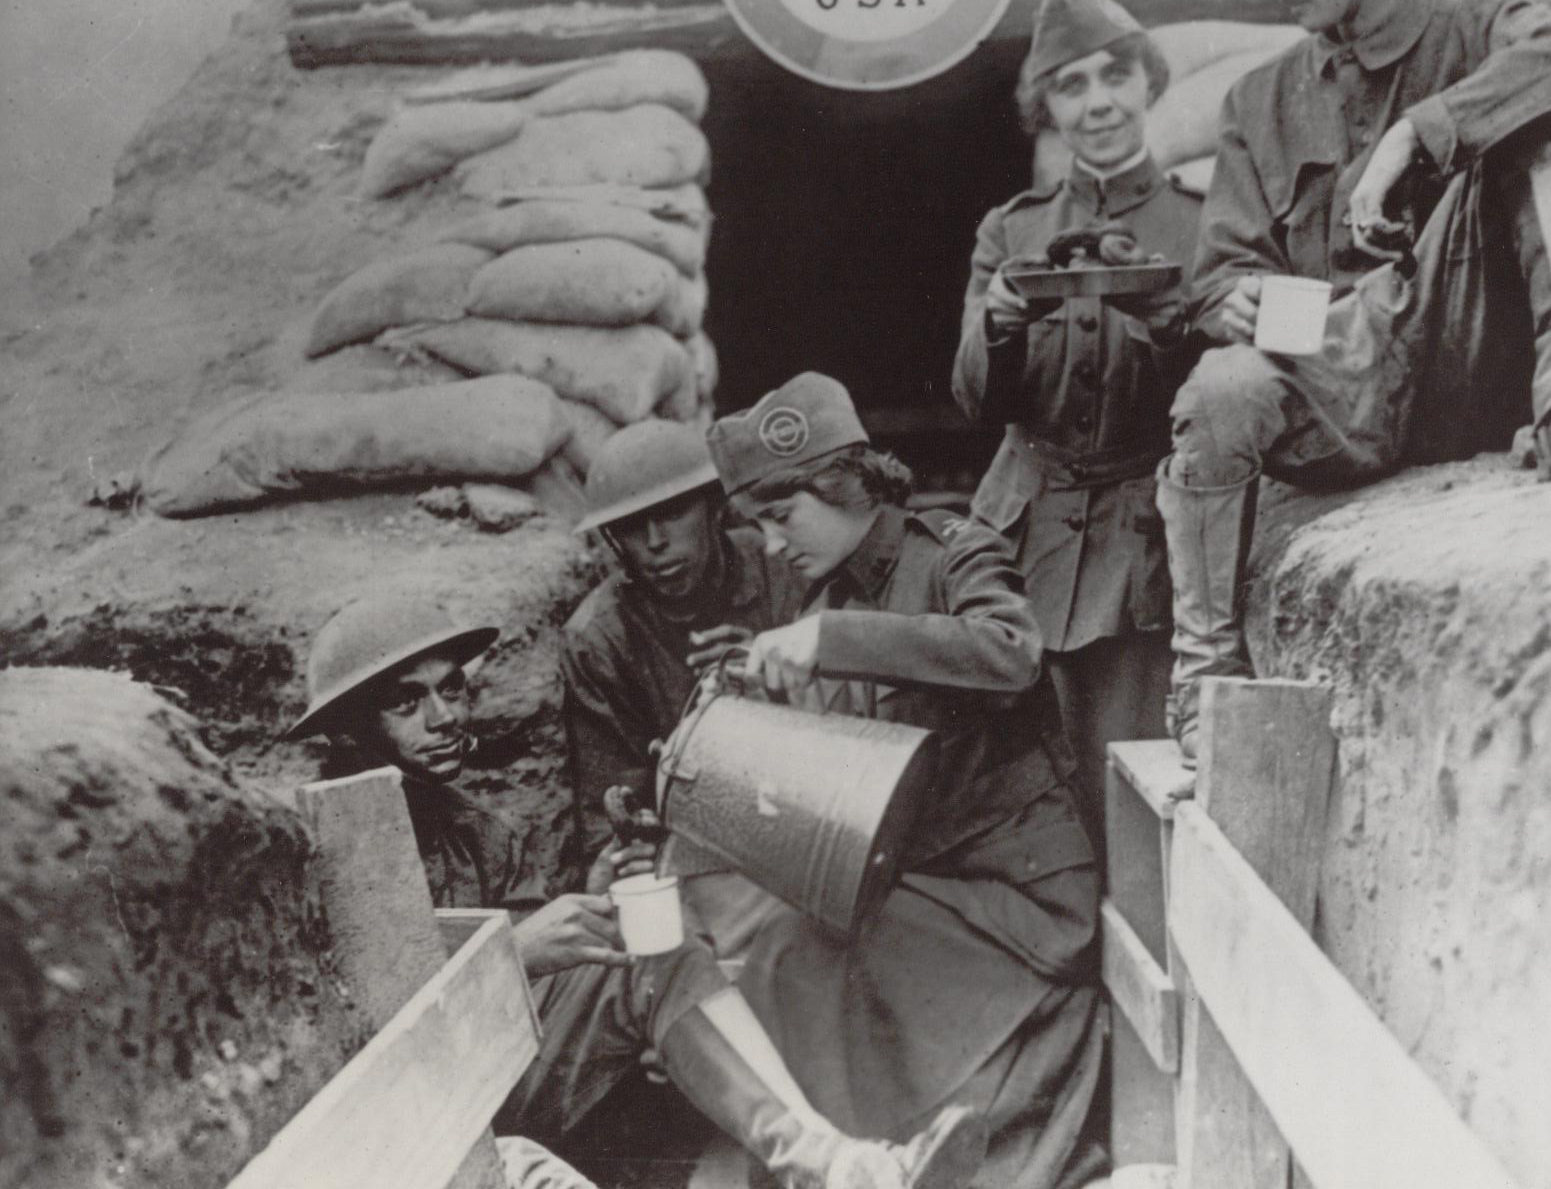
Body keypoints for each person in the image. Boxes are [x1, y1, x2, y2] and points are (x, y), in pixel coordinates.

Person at [1156, 0, 1551, 759]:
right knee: (1220, 387)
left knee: (1547, 121)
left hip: (1473, 351)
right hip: (1339, 379)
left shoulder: (1480, 29)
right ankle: (1205, 674)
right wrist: (1233, 298)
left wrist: (1418, 134)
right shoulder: (1256, 102)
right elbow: (1221, 271)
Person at [287, 592, 986, 1189]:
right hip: (402, 1125)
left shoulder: (479, 832)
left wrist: (590, 904)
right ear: (349, 730)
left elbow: (539, 997)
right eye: (406, 703)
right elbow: (344, 1038)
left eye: (451, 689)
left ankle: (832, 1165)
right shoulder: (312, 853)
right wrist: (513, 950)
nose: (443, 718)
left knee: (653, 950)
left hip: (494, 1080)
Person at [705, 373, 1105, 1189]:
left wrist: (836, 640)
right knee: (779, 952)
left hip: (1017, 895)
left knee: (801, 958)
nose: (773, 545)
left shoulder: (954, 549)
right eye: (759, 525)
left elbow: (1012, 654)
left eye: (782, 516)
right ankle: (856, 1165)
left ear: (842, 483)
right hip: (931, 884)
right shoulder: (831, 594)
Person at [952, 0, 1206, 835]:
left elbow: (1234, 387)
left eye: (1115, 76)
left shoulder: (1203, 222)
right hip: (1024, 535)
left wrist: (1173, 329)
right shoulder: (1011, 231)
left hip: (1142, 544)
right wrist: (999, 324)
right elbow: (975, 400)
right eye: (1071, 86)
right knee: (1022, 788)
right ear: (1047, 109)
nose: (1098, 103)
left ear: (1148, 83)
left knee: (1129, 785)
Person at [561, 419, 804, 957]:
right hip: (704, 867)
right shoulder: (601, 640)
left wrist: (775, 680)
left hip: (812, 829)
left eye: (672, 514)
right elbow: (611, 810)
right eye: (631, 527)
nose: (655, 544)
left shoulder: (784, 571)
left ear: (714, 506)